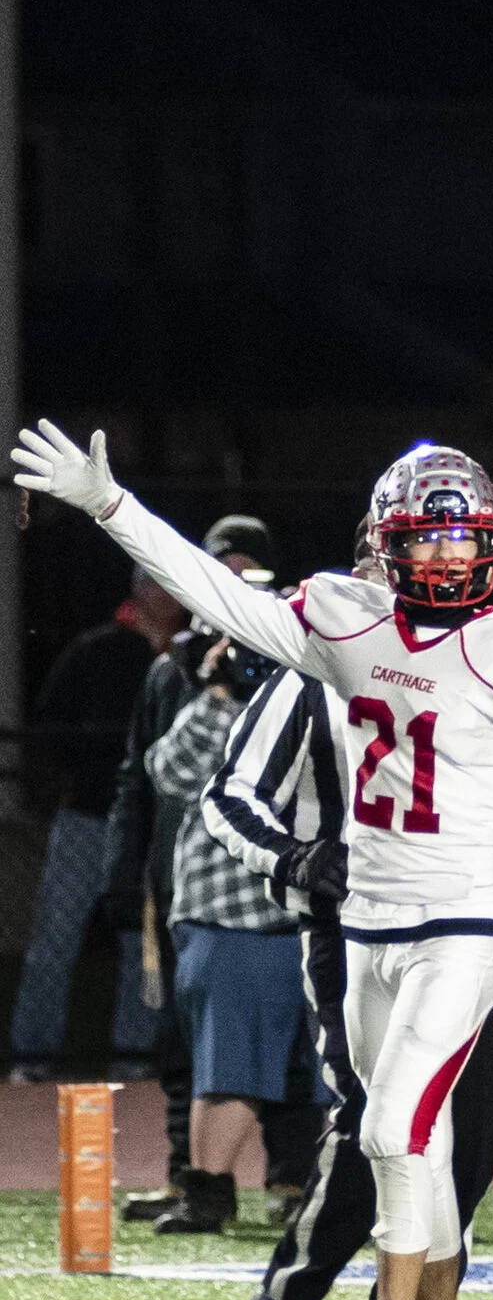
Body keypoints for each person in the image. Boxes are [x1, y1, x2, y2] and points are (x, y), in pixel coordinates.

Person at [13, 425, 493, 1300]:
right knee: (410, 1151)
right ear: (387, 543)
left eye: (459, 540)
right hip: (364, 924)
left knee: (391, 1126)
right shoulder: (344, 623)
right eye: (423, 540)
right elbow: (219, 595)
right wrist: (108, 506)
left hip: (467, 916)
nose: (442, 558)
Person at [206, 525, 493, 1300]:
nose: (428, 576)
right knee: (373, 1131)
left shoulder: (479, 655)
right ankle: (293, 1294)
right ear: (369, 565)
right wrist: (299, 860)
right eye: (409, 557)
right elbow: (229, 795)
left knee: (472, 1143)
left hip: (463, 925)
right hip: (356, 932)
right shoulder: (321, 659)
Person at [105, 516, 277, 1215]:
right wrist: (126, 869)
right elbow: (144, 777)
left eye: (249, 574)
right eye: (221, 572)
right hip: (183, 881)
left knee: (282, 1057)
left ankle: (292, 1185)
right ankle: (190, 1179)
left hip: (267, 888)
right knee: (183, 1050)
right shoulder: (174, 665)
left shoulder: (291, 656)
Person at [141, 629, 304, 1235]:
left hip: (262, 912)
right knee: (224, 1062)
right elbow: (167, 770)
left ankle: (213, 1193)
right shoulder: (229, 707)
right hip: (227, 911)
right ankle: (209, 1189)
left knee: (248, 1064)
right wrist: (219, 689)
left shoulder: (301, 706)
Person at [8, 571, 182, 1082]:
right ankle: (31, 1058)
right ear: (136, 586)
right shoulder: (98, 648)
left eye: (169, 581)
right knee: (54, 941)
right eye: (153, 580)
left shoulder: (191, 654)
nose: (163, 590)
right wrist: (86, 767)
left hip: (153, 823)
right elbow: (49, 718)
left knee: (143, 949)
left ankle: (135, 1060)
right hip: (88, 813)